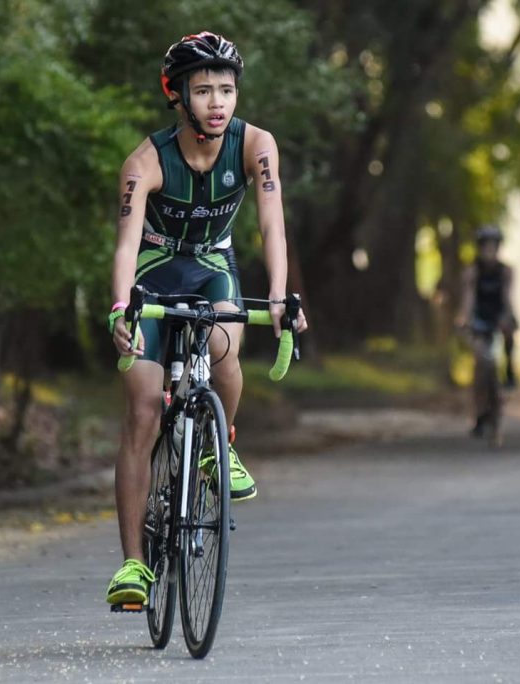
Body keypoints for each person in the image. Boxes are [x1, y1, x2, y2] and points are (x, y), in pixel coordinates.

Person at [105, 32, 308, 606]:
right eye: (203, 90)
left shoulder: (257, 146)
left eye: (226, 89)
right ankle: (133, 566)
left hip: (213, 267)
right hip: (153, 275)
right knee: (143, 410)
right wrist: (122, 307)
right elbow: (124, 246)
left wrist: (278, 296)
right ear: (178, 95)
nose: (218, 102)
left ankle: (220, 449)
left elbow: (272, 224)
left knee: (223, 348)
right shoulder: (145, 162)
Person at [455, 225, 519, 437]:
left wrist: (509, 317)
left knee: (510, 331)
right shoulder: (472, 271)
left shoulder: (505, 271)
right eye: (486, 246)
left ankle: (510, 367)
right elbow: (468, 298)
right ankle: (480, 414)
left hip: (499, 314)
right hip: (480, 318)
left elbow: (507, 298)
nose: (490, 250)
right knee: (481, 363)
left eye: (493, 246)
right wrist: (464, 319)